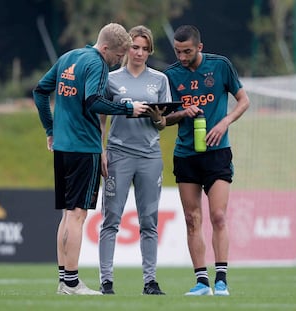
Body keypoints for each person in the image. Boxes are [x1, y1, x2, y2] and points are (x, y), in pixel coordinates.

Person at [33, 23, 149, 296]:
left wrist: (51, 130)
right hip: (84, 148)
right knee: (77, 215)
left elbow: (39, 91)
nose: (118, 61)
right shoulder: (96, 63)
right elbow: (94, 101)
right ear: (106, 48)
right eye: (119, 55)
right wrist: (128, 108)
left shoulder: (69, 58)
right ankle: (73, 283)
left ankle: (64, 280)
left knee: (67, 215)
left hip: (62, 147)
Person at [164, 25, 250, 296]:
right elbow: (162, 120)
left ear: (199, 47)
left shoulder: (221, 66)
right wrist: (182, 113)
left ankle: (221, 280)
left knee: (219, 216)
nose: (182, 56)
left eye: (187, 51)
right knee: (192, 218)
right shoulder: (170, 75)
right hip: (186, 154)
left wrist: (224, 122)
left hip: (217, 153)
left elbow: (243, 101)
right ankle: (202, 282)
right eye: (178, 52)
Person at [98, 25, 170, 295]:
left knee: (149, 220)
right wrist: (101, 149)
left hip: (150, 155)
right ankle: (106, 281)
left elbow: (162, 123)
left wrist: (157, 118)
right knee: (111, 219)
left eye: (144, 48)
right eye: (134, 47)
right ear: (126, 48)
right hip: (119, 154)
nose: (139, 53)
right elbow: (101, 116)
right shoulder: (111, 78)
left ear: (150, 51)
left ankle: (150, 281)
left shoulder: (160, 80)